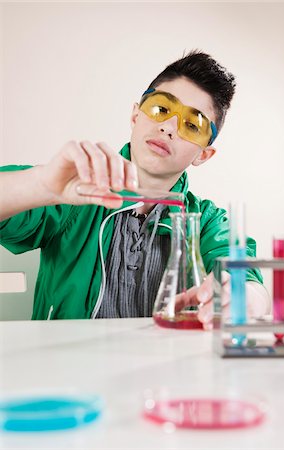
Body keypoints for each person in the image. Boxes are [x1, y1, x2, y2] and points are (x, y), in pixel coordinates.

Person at [0, 50, 270, 327]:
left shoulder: (206, 222)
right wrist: (42, 184)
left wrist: (248, 296)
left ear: (203, 154)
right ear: (135, 115)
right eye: (161, 109)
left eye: (192, 125)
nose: (169, 127)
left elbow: (244, 276)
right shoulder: (73, 193)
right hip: (69, 367)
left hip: (170, 368)